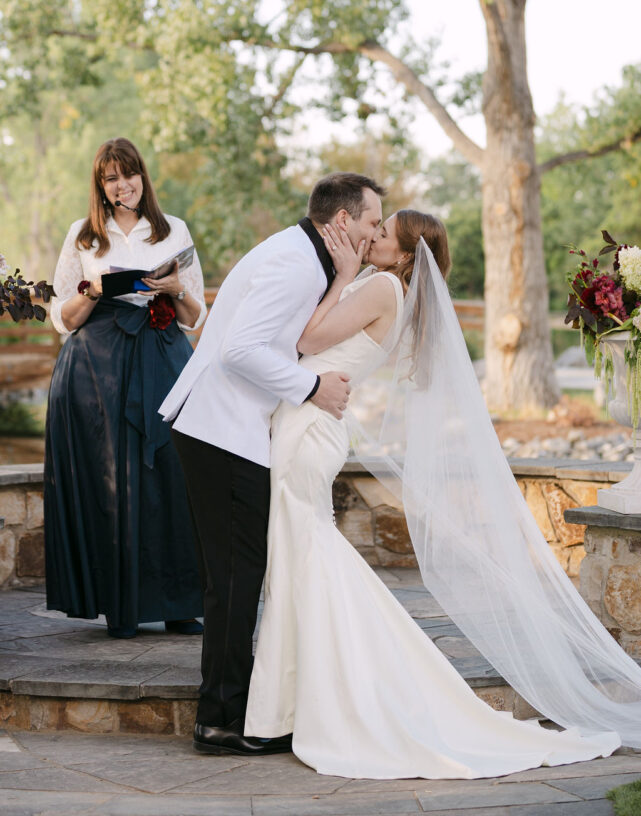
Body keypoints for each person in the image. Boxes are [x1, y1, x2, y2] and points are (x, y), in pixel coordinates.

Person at [241, 209, 641, 778]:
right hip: (312, 425)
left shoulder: (379, 285)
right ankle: (292, 700)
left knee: (304, 555)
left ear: (405, 255)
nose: (372, 236)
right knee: (300, 555)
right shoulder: (393, 291)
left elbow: (307, 338)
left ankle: (299, 705)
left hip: (308, 431)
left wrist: (340, 272)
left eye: (383, 233)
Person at [159, 172, 385, 757]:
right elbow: (240, 350)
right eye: (371, 222)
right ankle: (220, 720)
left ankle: (233, 708)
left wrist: (341, 279)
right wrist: (311, 387)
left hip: (223, 428)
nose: (377, 232)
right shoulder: (294, 264)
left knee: (236, 578)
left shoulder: (302, 255)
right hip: (221, 430)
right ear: (342, 223)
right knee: (234, 580)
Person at [45, 138, 206, 639]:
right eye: (111, 178)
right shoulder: (84, 236)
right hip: (98, 367)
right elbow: (60, 319)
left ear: (143, 177)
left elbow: (196, 316)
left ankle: (180, 602)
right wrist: (92, 292)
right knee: (112, 481)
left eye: (129, 174)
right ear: (100, 186)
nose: (122, 185)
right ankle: (121, 605)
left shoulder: (173, 229)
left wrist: (175, 288)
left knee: (174, 476)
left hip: (163, 354)